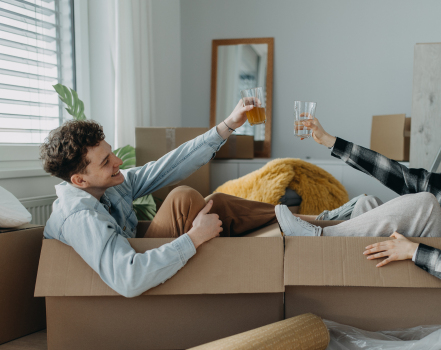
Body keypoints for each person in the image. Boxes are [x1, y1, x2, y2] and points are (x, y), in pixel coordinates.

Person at [41, 101, 277, 298]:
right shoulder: (79, 217)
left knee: (215, 202)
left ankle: (295, 221)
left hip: (144, 275)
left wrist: (228, 126)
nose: (118, 161)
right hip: (117, 298)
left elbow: (169, 167)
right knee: (183, 198)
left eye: (111, 152)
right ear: (79, 181)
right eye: (106, 162)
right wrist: (194, 238)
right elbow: (128, 279)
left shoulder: (110, 185)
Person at [275, 118, 441, 294]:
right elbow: (396, 173)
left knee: (426, 203)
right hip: (415, 275)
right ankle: (335, 272)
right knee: (368, 203)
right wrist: (331, 141)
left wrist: (414, 251)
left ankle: (319, 236)